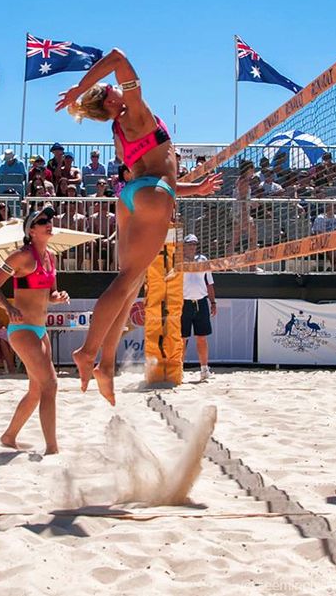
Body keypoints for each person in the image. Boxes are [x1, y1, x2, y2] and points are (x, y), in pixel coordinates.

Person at [56, 47, 222, 404]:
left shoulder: (120, 130)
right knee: (126, 282)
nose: (118, 88)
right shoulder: (133, 112)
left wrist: (196, 188)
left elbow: (154, 171)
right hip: (152, 194)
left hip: (132, 196)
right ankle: (87, 353)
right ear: (110, 100)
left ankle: (107, 363)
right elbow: (117, 57)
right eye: (112, 90)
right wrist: (78, 89)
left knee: (130, 287)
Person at [0, 206, 70, 454]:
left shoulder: (50, 257)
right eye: (43, 221)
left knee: (36, 390)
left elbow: (51, 293)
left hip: (39, 328)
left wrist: (58, 296)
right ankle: (52, 449)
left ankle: (9, 436)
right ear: (31, 231)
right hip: (21, 329)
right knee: (51, 385)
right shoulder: (22, 257)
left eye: (50, 219)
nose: (49, 223)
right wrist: (7, 307)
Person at [181, 234, 217, 380]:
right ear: (184, 246)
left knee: (201, 337)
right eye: (190, 244)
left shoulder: (203, 260)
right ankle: (179, 370)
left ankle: (204, 369)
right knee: (182, 339)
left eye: (195, 244)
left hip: (201, 302)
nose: (192, 247)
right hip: (184, 302)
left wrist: (213, 302)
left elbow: (210, 283)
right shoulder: (178, 261)